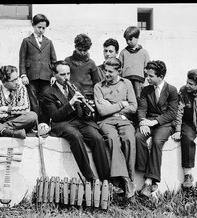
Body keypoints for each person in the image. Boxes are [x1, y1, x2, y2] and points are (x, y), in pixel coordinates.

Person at [42, 60, 110, 182]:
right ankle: (90, 178)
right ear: (54, 74)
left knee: (97, 138)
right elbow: (55, 116)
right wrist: (71, 103)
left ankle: (106, 180)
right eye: (62, 75)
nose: (66, 77)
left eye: (68, 74)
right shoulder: (48, 92)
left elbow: (85, 112)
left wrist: (87, 108)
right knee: (76, 136)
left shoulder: (76, 86)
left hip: (81, 121)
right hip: (63, 123)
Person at [94, 57, 137, 198]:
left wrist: (111, 107)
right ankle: (122, 181)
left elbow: (133, 107)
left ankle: (130, 178)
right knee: (113, 139)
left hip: (124, 120)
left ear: (119, 71)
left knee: (130, 138)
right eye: (105, 71)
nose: (106, 74)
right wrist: (120, 105)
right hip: (105, 121)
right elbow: (102, 111)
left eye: (110, 72)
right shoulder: (98, 87)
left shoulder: (127, 83)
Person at [135, 60, 178, 197]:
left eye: (151, 76)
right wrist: (143, 122)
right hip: (148, 121)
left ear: (161, 76)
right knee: (138, 137)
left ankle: (148, 182)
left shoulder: (172, 90)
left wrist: (153, 123)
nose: (148, 78)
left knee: (157, 141)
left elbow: (172, 113)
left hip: (164, 124)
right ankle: (147, 171)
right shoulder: (145, 90)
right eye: (147, 75)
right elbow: (141, 109)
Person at [19, 13, 57, 127]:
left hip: (46, 76)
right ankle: (34, 125)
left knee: (45, 100)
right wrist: (23, 75)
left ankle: (44, 124)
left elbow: (54, 60)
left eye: (43, 28)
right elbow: (22, 59)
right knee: (33, 100)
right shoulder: (27, 41)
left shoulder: (49, 42)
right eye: (39, 27)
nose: (41, 30)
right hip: (31, 76)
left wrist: (54, 75)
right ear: (33, 26)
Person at [65, 33, 101, 102]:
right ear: (75, 47)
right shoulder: (68, 61)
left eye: (85, 50)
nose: (82, 53)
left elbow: (96, 82)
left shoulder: (91, 63)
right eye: (80, 50)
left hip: (88, 94)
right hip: (72, 93)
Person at [119, 26, 150, 101]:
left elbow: (148, 69)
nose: (128, 42)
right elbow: (119, 68)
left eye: (130, 39)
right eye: (126, 40)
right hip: (126, 81)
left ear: (137, 38)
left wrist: (146, 81)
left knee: (139, 99)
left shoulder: (144, 52)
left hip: (139, 82)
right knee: (127, 100)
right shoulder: (123, 52)